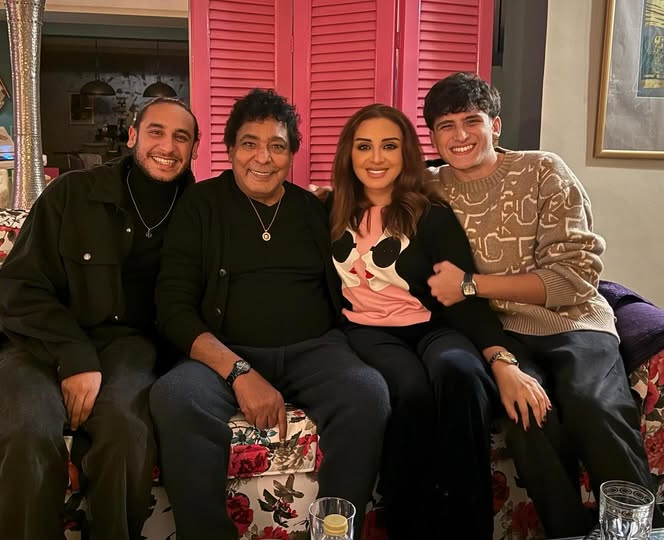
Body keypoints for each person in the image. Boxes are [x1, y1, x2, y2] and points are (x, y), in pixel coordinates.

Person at [423, 71, 663, 537]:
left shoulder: (543, 171)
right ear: (433, 136)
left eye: (471, 121)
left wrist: (471, 284)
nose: (459, 136)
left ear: (495, 125)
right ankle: (567, 530)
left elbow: (575, 277)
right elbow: (367, 192)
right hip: (501, 332)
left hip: (573, 321)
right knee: (528, 415)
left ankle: (636, 531)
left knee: (593, 405)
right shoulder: (430, 185)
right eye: (445, 126)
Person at [150, 88, 390, 540]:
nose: (263, 157)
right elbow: (173, 308)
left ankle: (333, 534)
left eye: (277, 146)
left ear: (292, 154)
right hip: (225, 352)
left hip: (314, 350)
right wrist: (239, 372)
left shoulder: (313, 209)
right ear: (229, 149)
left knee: (367, 393)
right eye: (249, 143)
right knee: (175, 397)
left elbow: (379, 207)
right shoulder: (200, 205)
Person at [328, 103, 550, 539]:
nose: (376, 158)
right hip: (368, 330)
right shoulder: (330, 212)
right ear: (349, 155)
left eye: (389, 146)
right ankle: (409, 525)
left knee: (461, 374)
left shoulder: (432, 215)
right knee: (411, 391)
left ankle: (468, 527)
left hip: (434, 326)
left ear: (407, 153)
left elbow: (464, 298)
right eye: (364, 147)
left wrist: (501, 361)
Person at [0, 97, 199, 540]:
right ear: (133, 135)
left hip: (127, 348)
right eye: (156, 131)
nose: (168, 146)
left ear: (194, 149)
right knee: (28, 432)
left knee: (127, 434)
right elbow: (22, 287)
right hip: (36, 341)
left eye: (181, 137)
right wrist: (74, 355)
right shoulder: (72, 193)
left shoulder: (198, 213)